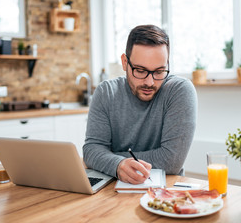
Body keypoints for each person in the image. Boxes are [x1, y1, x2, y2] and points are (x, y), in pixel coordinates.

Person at [83, 25, 197, 184]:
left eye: (159, 71)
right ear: (124, 62)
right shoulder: (106, 92)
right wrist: (117, 164)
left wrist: (110, 157)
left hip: (166, 190)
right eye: (140, 70)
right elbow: (91, 151)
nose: (150, 82)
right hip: (112, 191)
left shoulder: (180, 90)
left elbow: (171, 161)